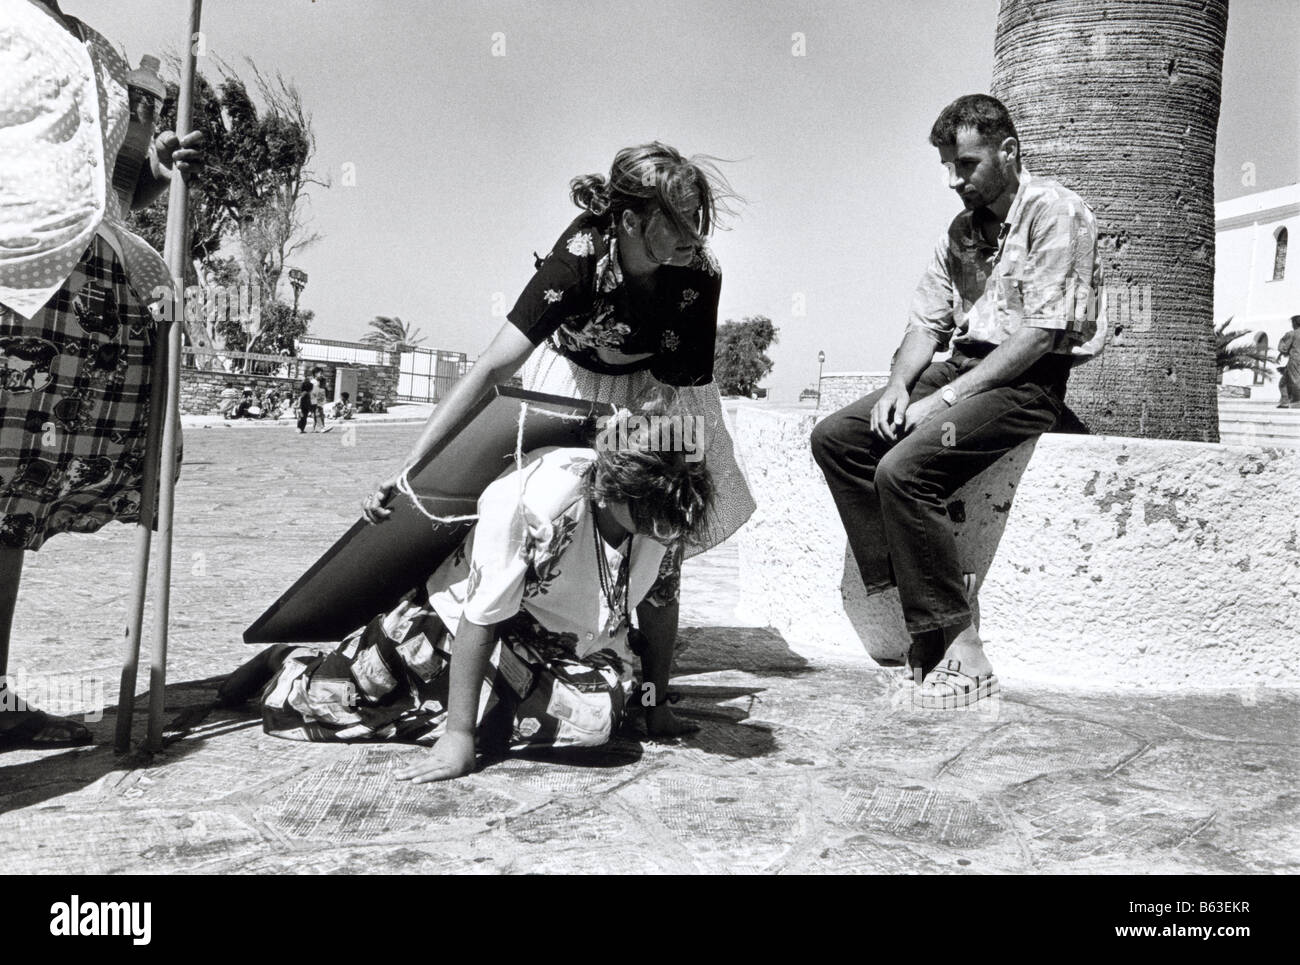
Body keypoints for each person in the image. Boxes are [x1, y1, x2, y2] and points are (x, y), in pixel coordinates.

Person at [361, 143, 756, 690]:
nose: (694, 232)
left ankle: (655, 692)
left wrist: (645, 452)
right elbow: (495, 366)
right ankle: (526, 639)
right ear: (630, 219)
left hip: (657, 392)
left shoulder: (698, 275)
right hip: (571, 381)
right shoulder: (580, 255)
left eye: (696, 217)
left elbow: (675, 390)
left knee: (658, 522)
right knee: (545, 515)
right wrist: (414, 463)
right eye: (677, 219)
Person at [224, 399, 713, 782]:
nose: (662, 533)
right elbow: (480, 614)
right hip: (450, 632)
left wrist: (656, 703)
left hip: (557, 646)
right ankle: (284, 661)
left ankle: (461, 711)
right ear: (611, 489)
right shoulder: (535, 499)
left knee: (597, 715)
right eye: (650, 520)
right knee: (314, 707)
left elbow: (659, 606)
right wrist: (459, 737)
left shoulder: (667, 512)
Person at [810, 94, 1105, 709]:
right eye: (948, 165)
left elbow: (1042, 334)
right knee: (837, 437)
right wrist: (898, 388)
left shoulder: (1057, 211)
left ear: (1008, 151)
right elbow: (926, 322)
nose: (955, 179)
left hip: (1027, 380)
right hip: (962, 365)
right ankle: (926, 608)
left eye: (966, 164)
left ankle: (961, 643)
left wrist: (941, 400)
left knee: (906, 467)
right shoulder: (961, 232)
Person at [0, 0, 204, 748]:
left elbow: (116, 186)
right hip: (7, 269)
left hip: (84, 291)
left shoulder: (103, 52)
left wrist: (160, 168)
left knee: (12, 502)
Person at [1277, 314, 1299, 408]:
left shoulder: (1292, 334)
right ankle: (1285, 402)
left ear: (1295, 323)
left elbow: (1283, 348)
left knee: (1292, 381)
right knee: (1284, 382)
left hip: (1295, 361)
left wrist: (1282, 351)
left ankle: (1287, 402)